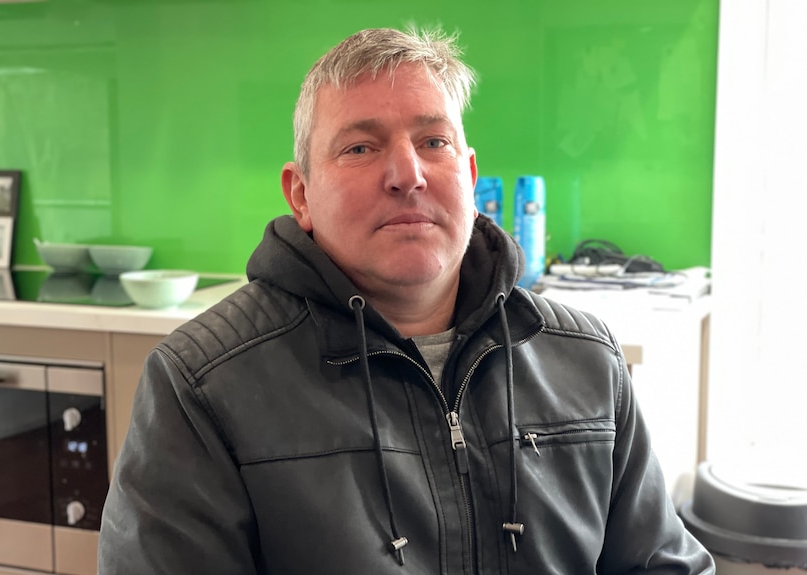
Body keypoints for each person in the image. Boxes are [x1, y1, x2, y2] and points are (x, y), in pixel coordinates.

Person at [98, 27, 715, 574]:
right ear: (301, 195)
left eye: (434, 142)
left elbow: (661, 562)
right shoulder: (202, 386)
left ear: (471, 177)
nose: (407, 174)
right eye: (360, 148)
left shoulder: (586, 359)